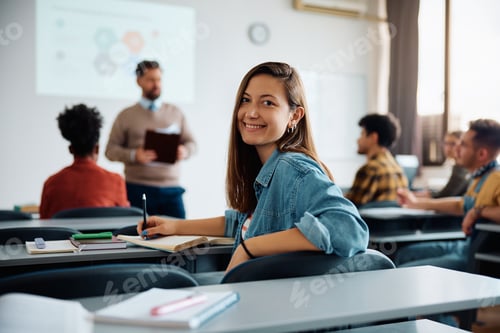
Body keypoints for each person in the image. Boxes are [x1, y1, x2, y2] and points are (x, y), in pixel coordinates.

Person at [137, 62, 369, 272]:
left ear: (294, 116)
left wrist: (250, 248)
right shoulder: (270, 167)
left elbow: (349, 230)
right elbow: (241, 222)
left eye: (268, 102)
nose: (251, 112)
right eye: (246, 100)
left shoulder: (293, 168)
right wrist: (174, 225)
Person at [395, 118, 500, 271]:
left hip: (475, 255)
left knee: (405, 271)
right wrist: (416, 203)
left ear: (482, 154)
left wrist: (478, 211)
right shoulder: (479, 177)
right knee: (404, 254)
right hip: (463, 246)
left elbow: (470, 207)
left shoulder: (496, 178)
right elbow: (460, 204)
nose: (456, 148)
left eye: (463, 145)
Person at [105, 60, 196, 218]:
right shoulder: (126, 115)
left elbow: (192, 144)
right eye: (150, 80)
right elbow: (110, 151)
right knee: (137, 238)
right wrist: (134, 155)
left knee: (181, 238)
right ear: (139, 81)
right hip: (137, 190)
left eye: (159, 79)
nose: (156, 84)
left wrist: (185, 151)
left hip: (172, 191)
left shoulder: (175, 113)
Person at [39, 104, 129, 219]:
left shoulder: (51, 184)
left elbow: (44, 227)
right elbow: (123, 222)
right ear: (97, 148)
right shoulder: (116, 181)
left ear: (71, 149)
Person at [344, 113, 409, 207]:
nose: (358, 140)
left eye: (362, 134)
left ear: (373, 137)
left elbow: (348, 207)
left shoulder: (370, 169)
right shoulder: (398, 169)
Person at [415, 131, 470, 198]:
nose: (448, 148)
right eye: (446, 143)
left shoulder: (461, 168)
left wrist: (419, 197)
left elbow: (446, 195)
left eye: (453, 144)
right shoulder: (457, 166)